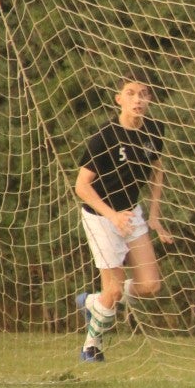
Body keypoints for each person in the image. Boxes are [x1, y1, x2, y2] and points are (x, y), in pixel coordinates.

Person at [73, 72, 174, 362]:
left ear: (150, 99)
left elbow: (157, 170)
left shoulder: (154, 129)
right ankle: (91, 348)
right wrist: (111, 215)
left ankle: (92, 301)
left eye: (143, 93)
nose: (138, 99)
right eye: (131, 93)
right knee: (114, 291)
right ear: (119, 99)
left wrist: (154, 216)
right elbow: (82, 186)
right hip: (100, 215)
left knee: (150, 286)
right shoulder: (104, 136)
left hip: (131, 213)